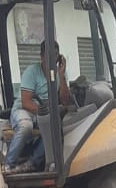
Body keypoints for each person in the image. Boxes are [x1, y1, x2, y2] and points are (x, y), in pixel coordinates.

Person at [6, 40, 70, 169]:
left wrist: (61, 75)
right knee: (26, 126)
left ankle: (32, 164)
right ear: (41, 56)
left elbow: (65, 101)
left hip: (43, 113)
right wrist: (45, 112)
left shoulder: (59, 74)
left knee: (56, 128)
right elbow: (26, 102)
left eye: (55, 54)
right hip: (25, 110)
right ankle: (8, 165)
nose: (52, 58)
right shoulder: (31, 72)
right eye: (48, 55)